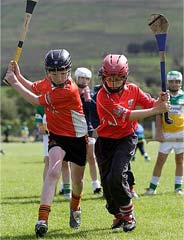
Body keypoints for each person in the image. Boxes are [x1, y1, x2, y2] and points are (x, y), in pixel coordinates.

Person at [5, 49, 88, 237]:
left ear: (68, 71)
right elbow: (34, 87)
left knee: (78, 182)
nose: (58, 77)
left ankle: (75, 207)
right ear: (47, 72)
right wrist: (18, 75)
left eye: (62, 72)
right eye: (54, 72)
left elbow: (35, 100)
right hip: (57, 135)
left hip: (77, 138)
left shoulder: (68, 90)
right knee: (52, 172)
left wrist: (14, 82)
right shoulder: (48, 82)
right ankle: (42, 220)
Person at [94, 54, 170, 232]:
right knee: (106, 185)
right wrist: (156, 109)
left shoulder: (133, 90)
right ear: (103, 77)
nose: (113, 81)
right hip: (104, 142)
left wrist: (161, 101)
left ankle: (128, 214)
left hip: (126, 139)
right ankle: (118, 215)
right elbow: (126, 114)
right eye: (109, 78)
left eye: (118, 78)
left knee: (117, 175)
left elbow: (150, 103)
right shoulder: (102, 97)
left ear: (125, 77)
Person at [144, 70, 184, 195]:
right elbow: (158, 114)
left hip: (181, 133)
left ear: (180, 83)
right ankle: (152, 188)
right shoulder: (163, 97)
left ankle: (178, 188)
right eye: (172, 82)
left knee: (180, 161)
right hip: (166, 134)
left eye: (177, 82)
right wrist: (159, 132)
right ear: (168, 82)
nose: (174, 84)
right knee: (160, 161)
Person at [74, 67, 101, 194]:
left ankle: (96, 185)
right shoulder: (71, 92)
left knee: (92, 157)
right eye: (82, 78)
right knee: (72, 159)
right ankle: (67, 186)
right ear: (76, 77)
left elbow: (94, 112)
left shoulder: (91, 95)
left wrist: (88, 98)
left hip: (88, 129)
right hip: (73, 129)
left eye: (87, 79)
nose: (84, 81)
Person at [35, 105, 71, 200]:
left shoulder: (62, 102)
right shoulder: (40, 106)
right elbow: (40, 128)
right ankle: (49, 190)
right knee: (48, 161)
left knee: (65, 162)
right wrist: (42, 128)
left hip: (63, 135)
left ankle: (67, 191)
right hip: (48, 138)